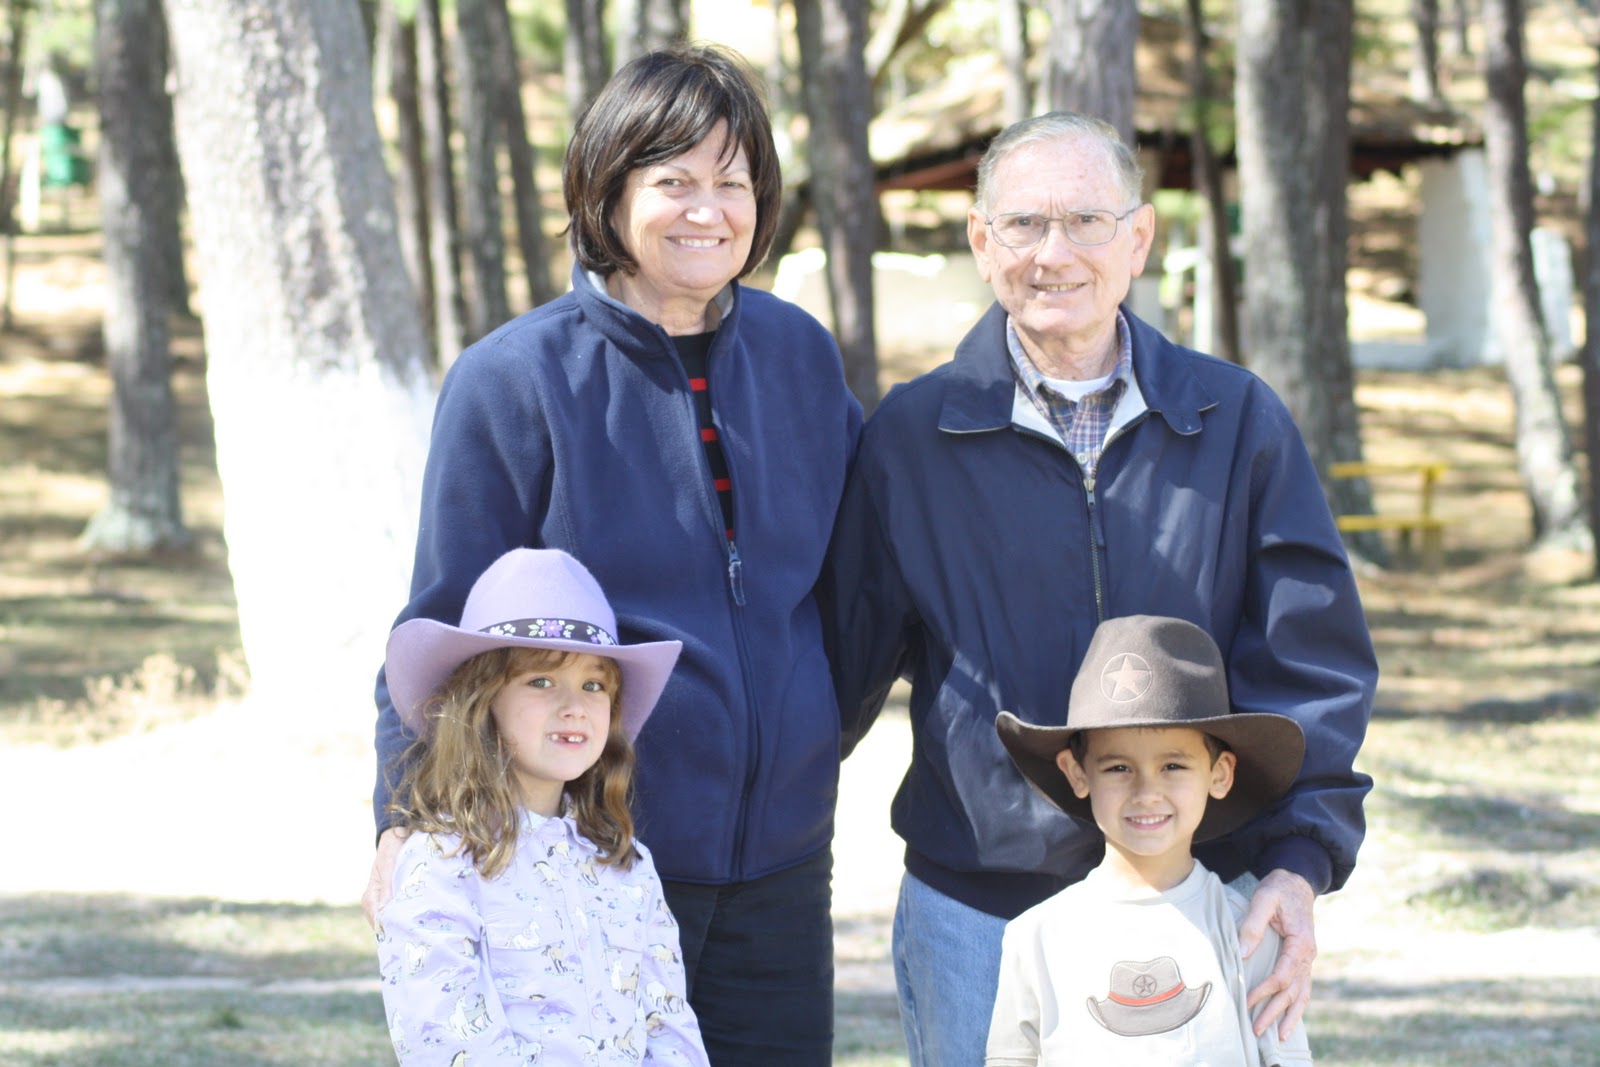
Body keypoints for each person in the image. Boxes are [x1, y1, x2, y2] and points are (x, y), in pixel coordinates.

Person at [820, 110, 1376, 1067]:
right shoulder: (908, 439)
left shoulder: (1236, 419)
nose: (1055, 253)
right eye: (1026, 224)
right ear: (981, 242)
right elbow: (830, 677)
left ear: (1139, 238)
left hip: (1201, 902)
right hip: (980, 914)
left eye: (1086, 221)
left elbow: (1309, 656)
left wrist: (1299, 859)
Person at [365, 44, 862, 1066]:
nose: (708, 209)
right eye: (673, 180)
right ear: (608, 188)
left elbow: (846, 594)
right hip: (591, 850)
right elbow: (443, 616)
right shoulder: (513, 379)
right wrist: (399, 818)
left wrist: (803, 734)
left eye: (733, 182)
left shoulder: (801, 355)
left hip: (781, 861)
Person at [375, 547, 708, 1065]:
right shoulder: (441, 864)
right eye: (541, 680)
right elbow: (444, 1037)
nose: (573, 705)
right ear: (481, 702)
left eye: (594, 684)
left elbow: (667, 1023)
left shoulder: (627, 865)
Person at [988, 614, 1313, 1066]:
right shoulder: (1037, 937)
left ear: (1219, 775)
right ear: (1076, 772)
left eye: (1173, 766)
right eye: (1118, 768)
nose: (1146, 793)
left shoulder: (1249, 932)